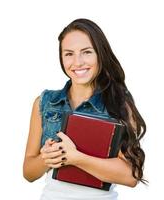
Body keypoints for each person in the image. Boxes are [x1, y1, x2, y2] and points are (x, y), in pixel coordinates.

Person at [23, 18, 146, 200]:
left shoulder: (118, 103)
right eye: (69, 54)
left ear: (100, 55)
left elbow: (131, 177)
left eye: (87, 52)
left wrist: (76, 158)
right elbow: (28, 173)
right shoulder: (45, 102)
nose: (77, 62)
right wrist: (46, 158)